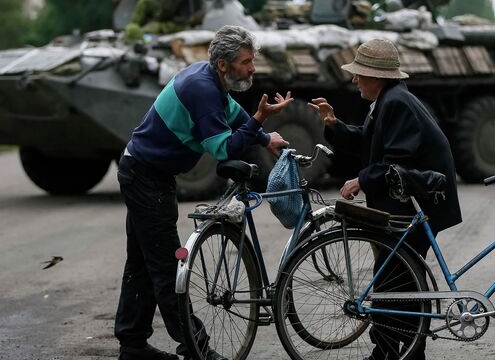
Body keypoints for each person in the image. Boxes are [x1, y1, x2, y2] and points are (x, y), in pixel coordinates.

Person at [114, 25, 292, 360]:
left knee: (142, 262)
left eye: (252, 61)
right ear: (224, 64)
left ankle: (132, 345)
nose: (252, 68)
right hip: (145, 176)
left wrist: (265, 137)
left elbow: (232, 114)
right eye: (246, 61)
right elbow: (223, 149)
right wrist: (257, 121)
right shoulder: (201, 88)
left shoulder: (211, 80)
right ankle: (196, 349)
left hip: (147, 172)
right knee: (168, 267)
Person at [309, 38, 462, 359]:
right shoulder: (389, 100)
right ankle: (396, 348)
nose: (354, 80)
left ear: (377, 77)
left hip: (417, 200)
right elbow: (370, 141)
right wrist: (334, 125)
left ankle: (398, 349)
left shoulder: (397, 103)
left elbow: (397, 161)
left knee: (395, 277)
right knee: (396, 276)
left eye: (359, 74)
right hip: (406, 197)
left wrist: (361, 180)